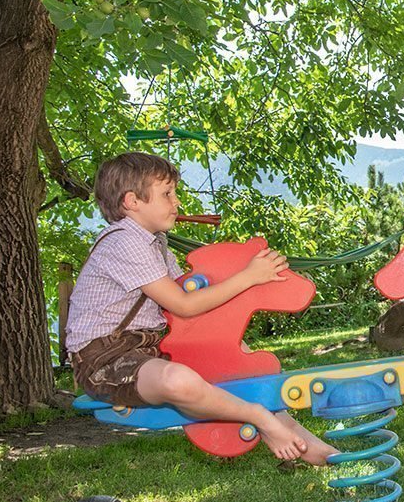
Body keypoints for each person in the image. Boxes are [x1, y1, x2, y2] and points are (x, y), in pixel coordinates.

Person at [66, 152, 337, 466]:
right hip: (105, 359)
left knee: (236, 361)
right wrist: (248, 277)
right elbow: (183, 305)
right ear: (132, 201)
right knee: (176, 381)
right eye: (166, 194)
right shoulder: (124, 241)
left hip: (148, 348)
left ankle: (316, 450)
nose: (176, 202)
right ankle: (259, 417)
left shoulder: (155, 242)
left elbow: (184, 304)